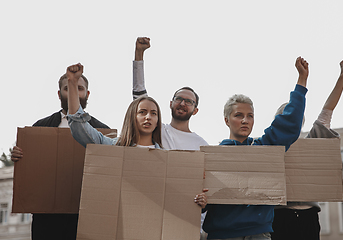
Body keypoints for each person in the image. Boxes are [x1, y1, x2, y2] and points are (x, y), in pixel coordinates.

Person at [65, 63, 207, 204]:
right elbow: (79, 127)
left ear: (158, 121)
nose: (148, 117)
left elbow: (179, 197)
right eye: (142, 112)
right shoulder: (114, 147)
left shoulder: (167, 160)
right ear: (133, 116)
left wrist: (201, 201)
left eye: (153, 113)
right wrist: (72, 83)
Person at [202, 56, 309, 240]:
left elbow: (288, 124)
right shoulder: (213, 157)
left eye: (250, 116)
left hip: (258, 233)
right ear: (227, 120)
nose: (245, 120)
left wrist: (301, 82)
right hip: (222, 235)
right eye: (239, 115)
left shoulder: (264, 148)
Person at [11, 71, 110, 240]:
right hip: (47, 218)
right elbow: (30, 168)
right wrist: (19, 156)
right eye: (68, 88)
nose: (74, 92)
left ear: (87, 94)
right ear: (59, 94)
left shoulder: (102, 131)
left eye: (80, 88)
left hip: (84, 216)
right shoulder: (39, 128)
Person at [133, 37, 209, 239]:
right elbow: (139, 97)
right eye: (179, 99)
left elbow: (205, 185)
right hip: (154, 213)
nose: (183, 103)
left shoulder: (202, 145)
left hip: (187, 222)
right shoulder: (159, 131)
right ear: (170, 103)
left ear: (196, 110)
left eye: (189, 101)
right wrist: (139, 54)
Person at [271, 57, 343, 240]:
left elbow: (328, 110)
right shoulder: (268, 147)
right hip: (279, 217)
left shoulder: (312, 142)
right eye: (286, 117)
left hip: (308, 218)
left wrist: (342, 77)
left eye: (296, 117)